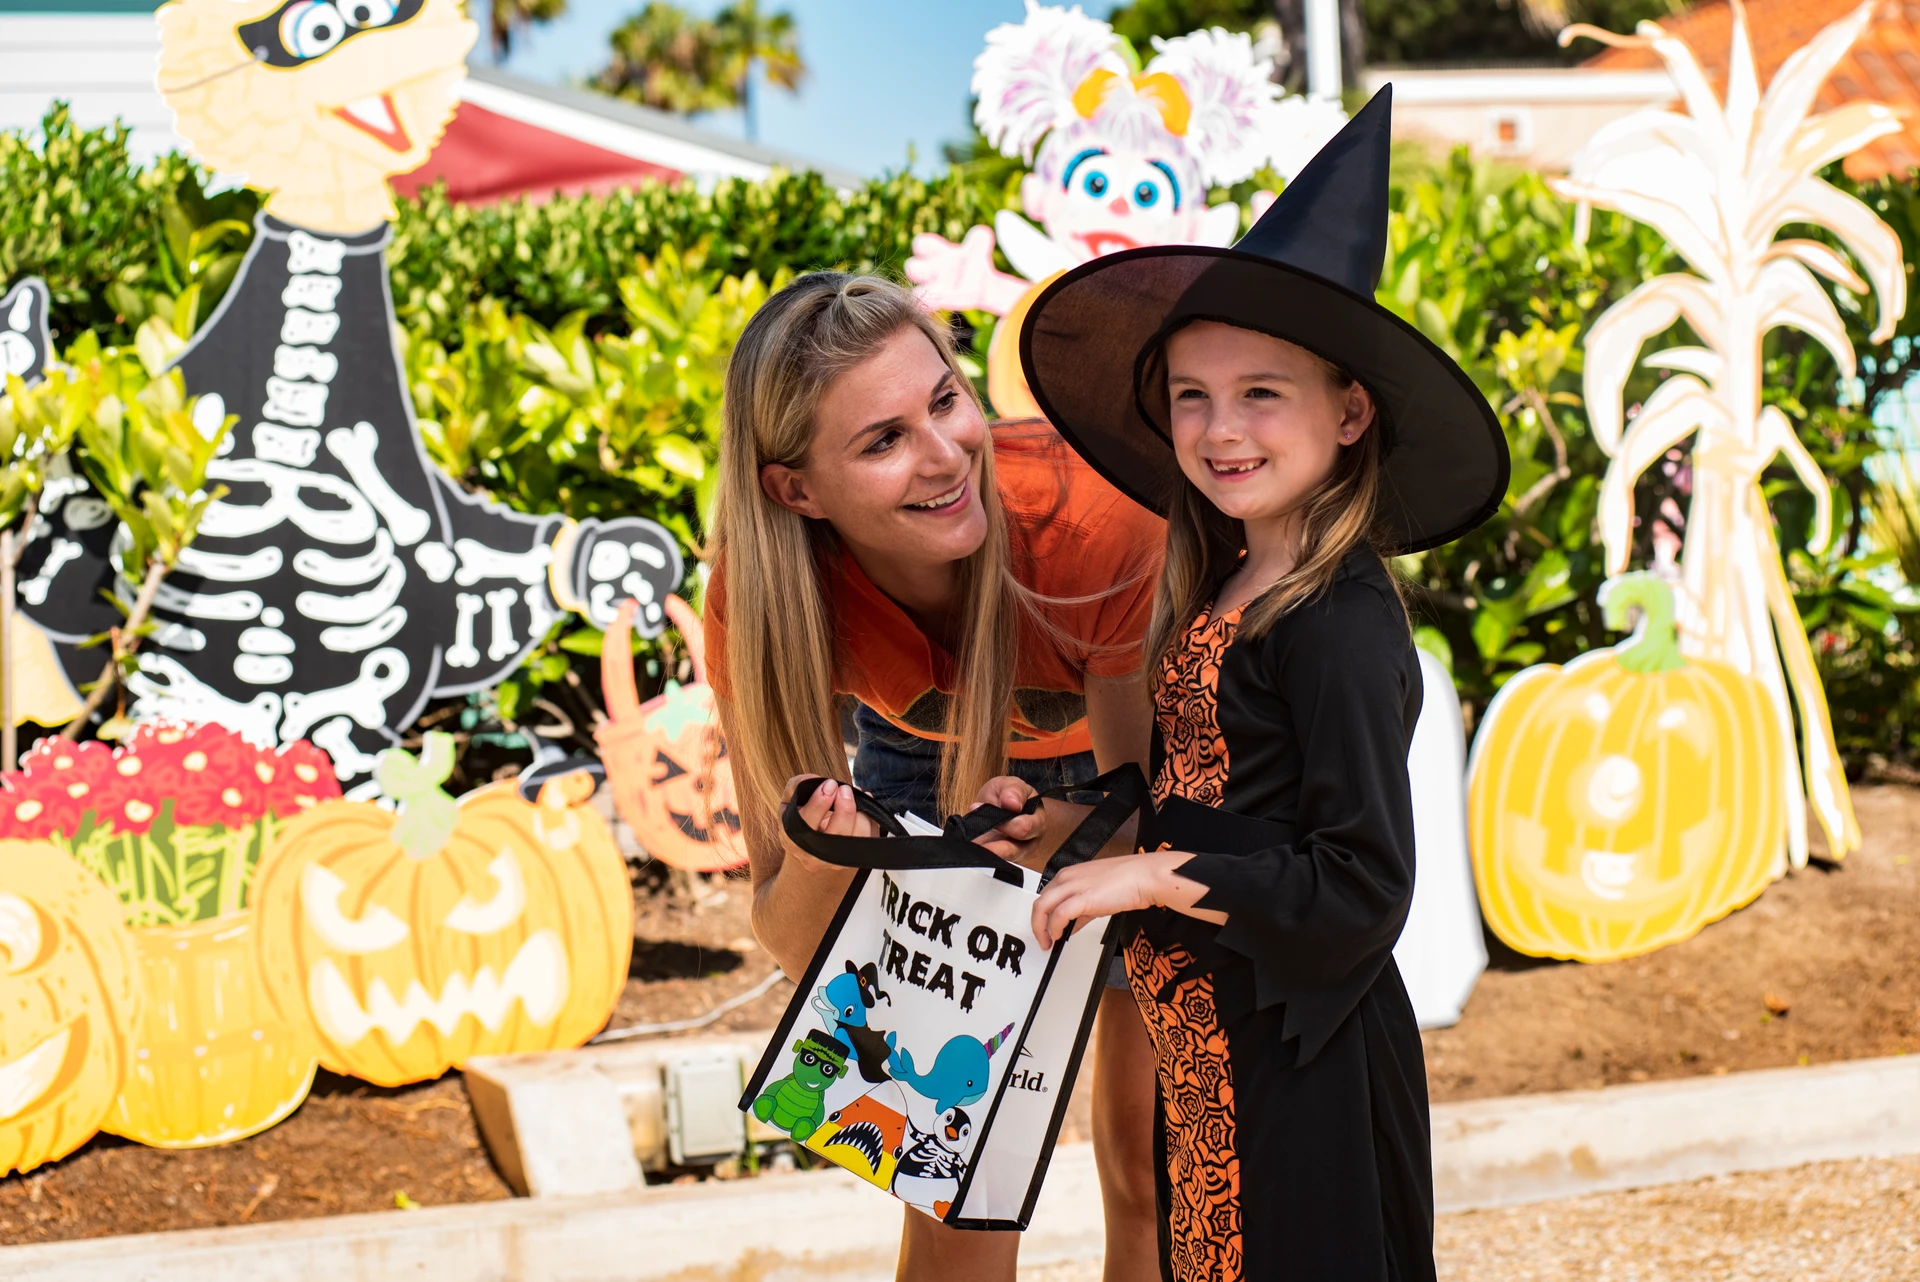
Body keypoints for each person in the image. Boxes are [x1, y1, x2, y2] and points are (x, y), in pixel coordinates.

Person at [1003, 87, 1509, 1280]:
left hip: (1305, 1070)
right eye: (1192, 395)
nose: (1220, 428)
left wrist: (1153, 875)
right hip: (1219, 1052)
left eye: (1260, 394)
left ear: (1350, 411)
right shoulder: (1225, 585)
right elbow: (1220, 812)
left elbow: (1358, 882)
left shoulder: (1336, 618)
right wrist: (1077, 829)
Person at [703, 270, 1166, 1282]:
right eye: (882, 440)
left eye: (946, 402)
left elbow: (1145, 832)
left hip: (1137, 783)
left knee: (1150, 1164)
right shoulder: (769, 591)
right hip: (927, 766)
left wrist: (1048, 833)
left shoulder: (1089, 522)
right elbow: (786, 932)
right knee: (955, 1164)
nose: (946, 453)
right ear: (797, 489)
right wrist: (848, 859)